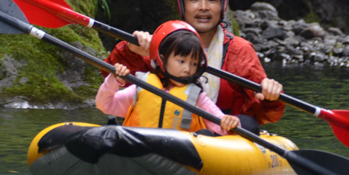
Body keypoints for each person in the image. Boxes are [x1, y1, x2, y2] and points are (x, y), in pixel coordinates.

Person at [104, 0, 284, 133]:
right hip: (162, 130)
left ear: (222, 5)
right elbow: (112, 79)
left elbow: (266, 114)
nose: (203, 7)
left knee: (248, 124)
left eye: (212, 0)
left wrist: (270, 97)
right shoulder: (161, 44)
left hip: (219, 137)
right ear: (182, 4)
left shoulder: (239, 50)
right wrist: (129, 50)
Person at [97, 21, 241, 135]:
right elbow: (105, 105)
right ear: (163, 59)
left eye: (194, 63)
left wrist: (230, 122)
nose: (188, 69)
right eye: (181, 61)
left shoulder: (196, 96)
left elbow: (220, 125)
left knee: (206, 134)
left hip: (179, 155)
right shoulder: (142, 87)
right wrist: (113, 80)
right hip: (139, 149)